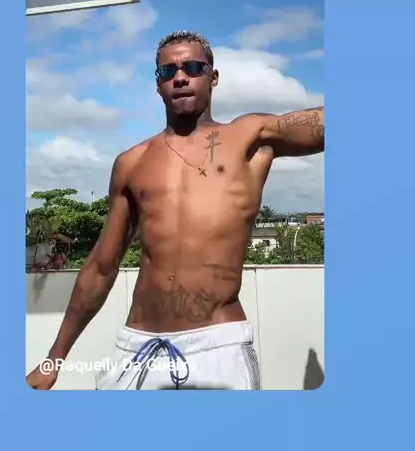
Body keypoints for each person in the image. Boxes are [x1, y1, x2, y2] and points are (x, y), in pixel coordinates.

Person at [27, 30, 324, 391]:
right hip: (137, 347)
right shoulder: (132, 162)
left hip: (219, 347)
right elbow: (101, 268)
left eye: (193, 67)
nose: (180, 77)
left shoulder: (249, 137)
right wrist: (54, 358)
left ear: (213, 77)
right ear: (158, 84)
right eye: (168, 71)